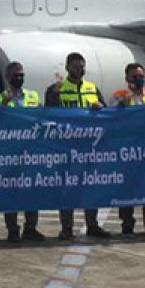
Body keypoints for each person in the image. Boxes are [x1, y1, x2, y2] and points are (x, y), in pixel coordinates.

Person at [45, 52, 110, 240]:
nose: (79, 69)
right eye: (75, 66)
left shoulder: (92, 88)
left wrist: (100, 106)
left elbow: (105, 113)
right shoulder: (56, 89)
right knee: (67, 187)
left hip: (89, 146)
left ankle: (92, 224)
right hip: (66, 147)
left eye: (81, 66)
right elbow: (49, 115)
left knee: (91, 185)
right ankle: (67, 228)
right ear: (67, 68)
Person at [111, 63, 145, 236]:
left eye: (141, 76)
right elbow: (111, 113)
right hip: (128, 148)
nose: (138, 79)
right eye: (135, 76)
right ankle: (127, 224)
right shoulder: (120, 94)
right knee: (127, 187)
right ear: (127, 78)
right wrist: (122, 104)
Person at [0, 61, 45, 242]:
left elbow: (41, 117)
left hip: (31, 152)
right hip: (10, 154)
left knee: (32, 191)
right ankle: (12, 230)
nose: (19, 78)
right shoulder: (0, 98)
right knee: (11, 193)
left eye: (21, 75)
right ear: (7, 77)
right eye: (15, 75)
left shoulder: (33, 96)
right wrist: (4, 104)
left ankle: (30, 228)